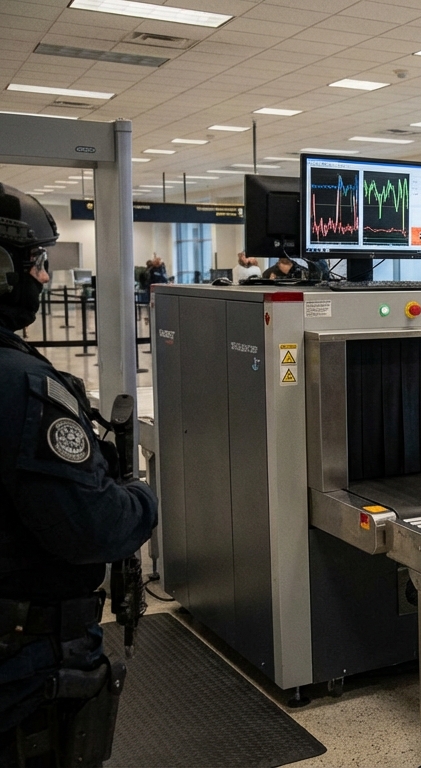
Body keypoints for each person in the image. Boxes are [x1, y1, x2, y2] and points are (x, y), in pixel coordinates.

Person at [0, 184, 158, 765]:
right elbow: (91, 526)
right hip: (25, 661)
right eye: (34, 262)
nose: (43, 278)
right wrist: (142, 499)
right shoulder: (22, 386)